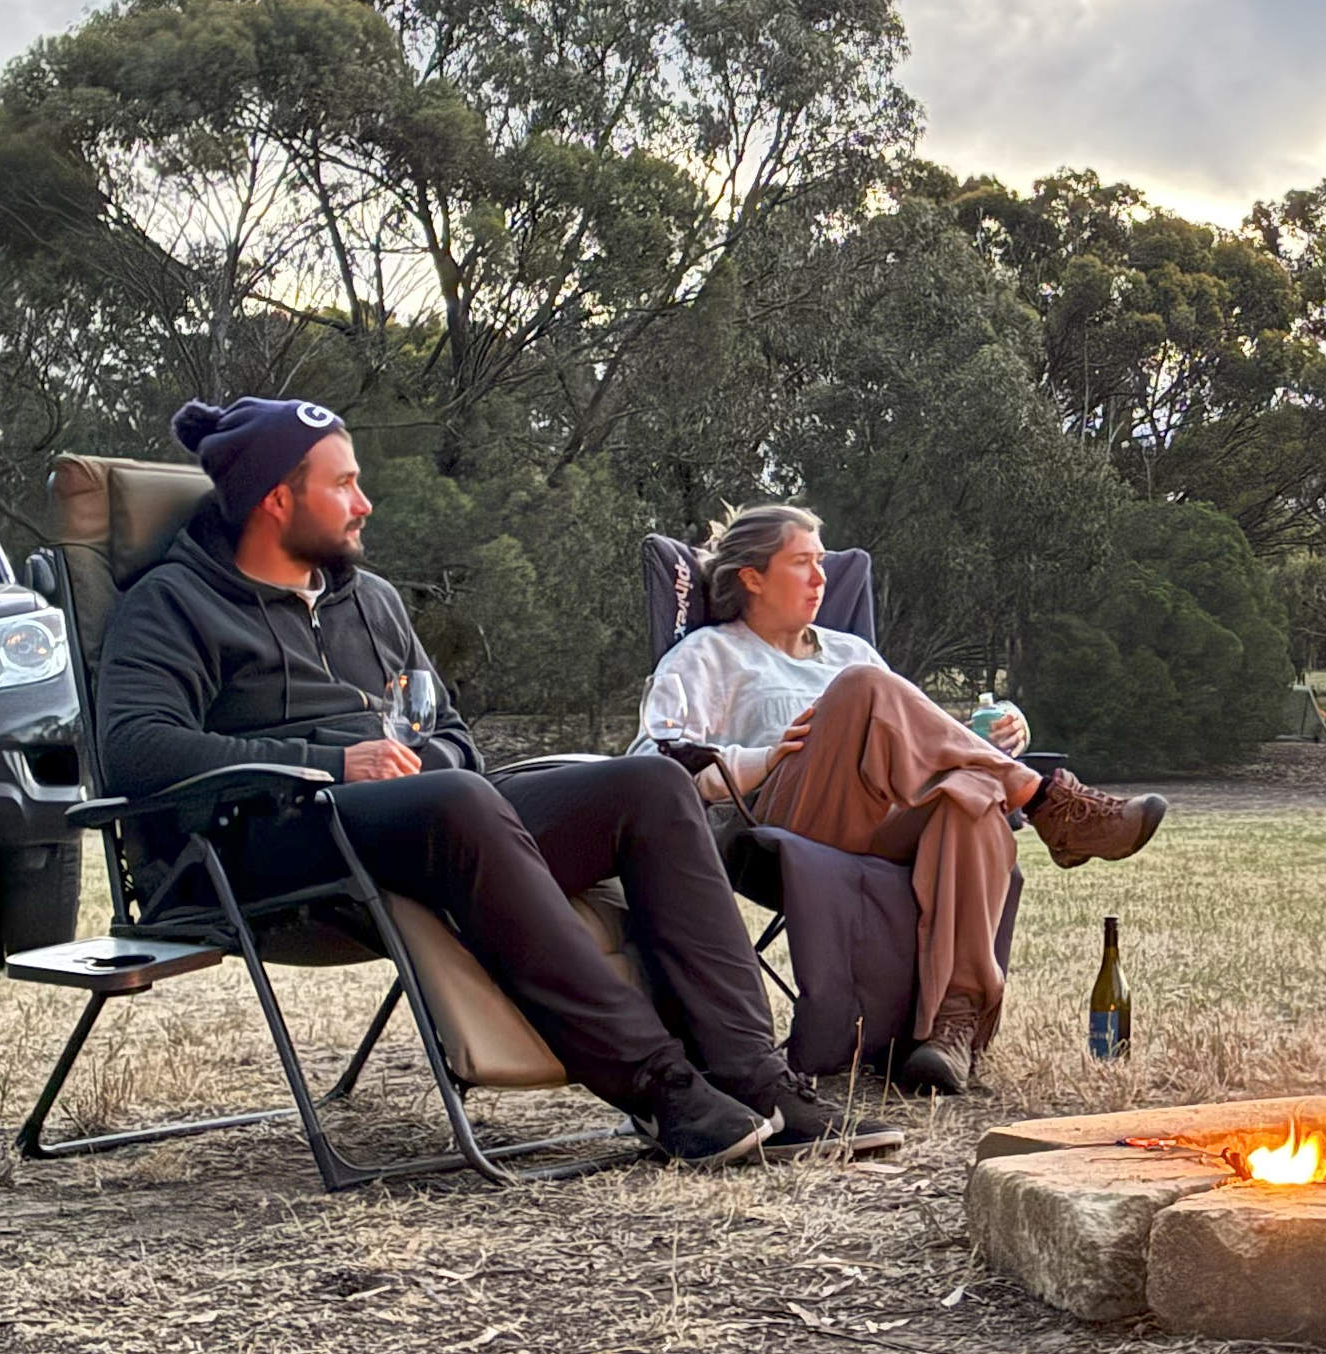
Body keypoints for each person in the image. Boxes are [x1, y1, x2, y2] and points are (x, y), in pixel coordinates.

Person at [98, 399, 893, 1169]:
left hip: (426, 818)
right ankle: (662, 1088)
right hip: (263, 841)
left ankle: (756, 1077)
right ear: (276, 499)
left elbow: (445, 732)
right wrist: (335, 760)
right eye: (342, 484)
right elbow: (135, 751)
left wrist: (428, 760)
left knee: (650, 785)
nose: (364, 503)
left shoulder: (370, 603)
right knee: (460, 799)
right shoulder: (174, 603)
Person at [638, 504, 1164, 1094]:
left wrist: (993, 738)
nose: (820, 580)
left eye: (821, 564)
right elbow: (652, 760)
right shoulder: (710, 655)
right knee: (865, 691)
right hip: (776, 820)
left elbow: (906, 735)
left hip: (875, 818)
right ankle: (1048, 803)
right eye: (801, 564)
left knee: (970, 797)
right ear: (751, 577)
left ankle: (951, 1025)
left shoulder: (849, 650)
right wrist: (760, 758)